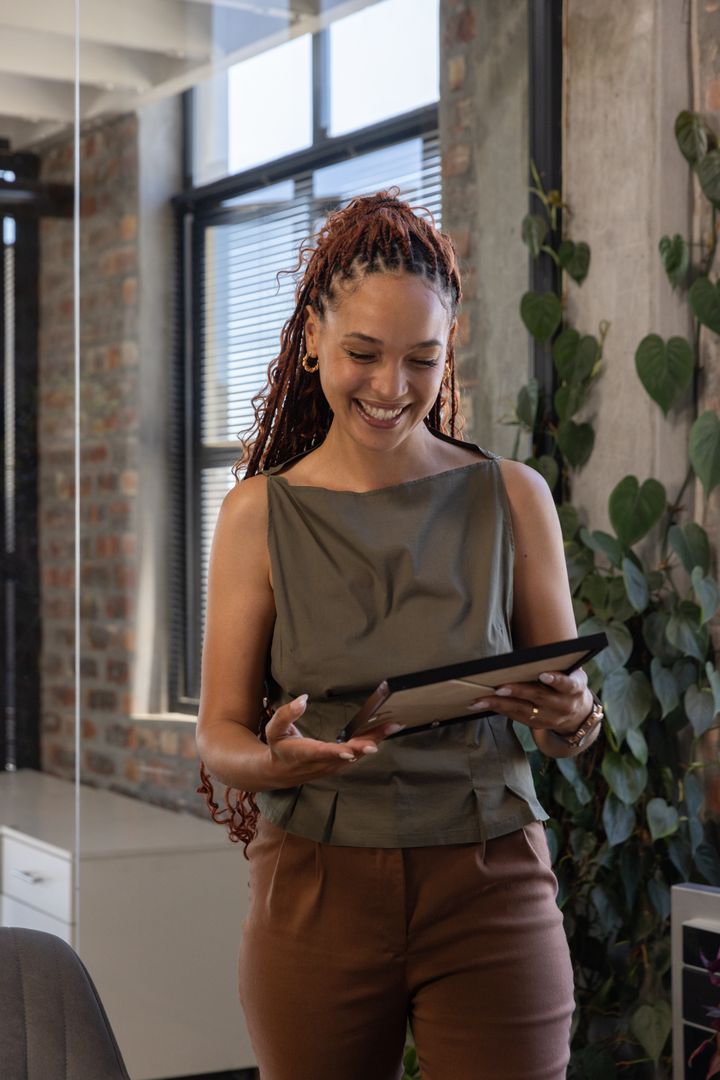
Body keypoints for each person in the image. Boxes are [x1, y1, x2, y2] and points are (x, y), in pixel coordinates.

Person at [196, 189, 603, 1080]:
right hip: (316, 885)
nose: (392, 388)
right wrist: (274, 763)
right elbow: (218, 732)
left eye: (422, 358)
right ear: (312, 338)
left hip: (491, 879)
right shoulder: (258, 515)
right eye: (363, 354)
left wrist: (573, 717)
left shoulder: (514, 497)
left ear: (450, 345)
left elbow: (563, 722)